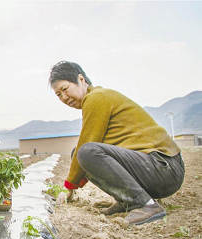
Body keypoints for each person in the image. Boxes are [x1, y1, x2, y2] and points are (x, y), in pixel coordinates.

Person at [49, 61, 185, 225]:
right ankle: (128, 199)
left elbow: (88, 142)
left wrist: (69, 187)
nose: (64, 97)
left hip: (164, 168)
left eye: (65, 89)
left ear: (81, 79)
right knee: (79, 152)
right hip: (157, 170)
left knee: (86, 151)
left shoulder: (96, 98)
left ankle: (144, 205)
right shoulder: (96, 98)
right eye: (58, 95)